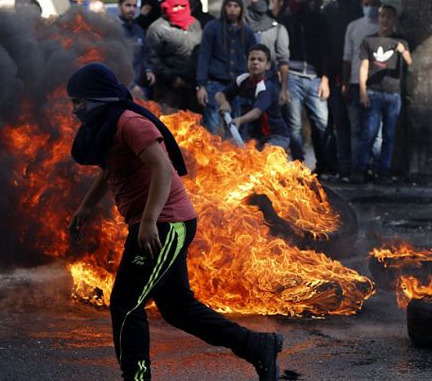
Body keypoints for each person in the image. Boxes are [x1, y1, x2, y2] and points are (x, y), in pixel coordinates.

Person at [66, 62, 284, 381]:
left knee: (126, 304)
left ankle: (136, 378)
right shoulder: (107, 127)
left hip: (166, 223)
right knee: (178, 308)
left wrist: (149, 221)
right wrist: (85, 207)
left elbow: (163, 169)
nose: (75, 110)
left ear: (98, 99)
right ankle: (258, 346)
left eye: (79, 102)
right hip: (157, 223)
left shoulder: (131, 123)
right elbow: (109, 168)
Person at [353, 5, 412, 183]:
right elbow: (363, 66)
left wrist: (404, 51)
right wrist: (363, 91)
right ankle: (360, 169)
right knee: (369, 132)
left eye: (389, 17)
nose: (385, 20)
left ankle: (383, 171)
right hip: (374, 92)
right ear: (378, 18)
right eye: (383, 16)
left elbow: (410, 62)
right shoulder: (369, 41)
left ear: (394, 20)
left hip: (393, 94)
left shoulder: (400, 41)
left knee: (389, 135)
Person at [281, 0, 332, 173]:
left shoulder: (317, 19)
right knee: (294, 123)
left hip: (314, 76)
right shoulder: (286, 19)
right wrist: (283, 83)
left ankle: (325, 164)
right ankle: (299, 164)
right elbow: (281, 52)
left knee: (322, 122)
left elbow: (327, 51)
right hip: (292, 75)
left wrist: (325, 78)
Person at [196, 0, 256, 134]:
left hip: (237, 86)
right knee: (212, 128)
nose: (232, 9)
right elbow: (204, 55)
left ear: (241, 8)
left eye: (236, 5)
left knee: (236, 128)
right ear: (224, 7)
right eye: (229, 5)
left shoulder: (246, 31)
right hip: (214, 83)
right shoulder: (212, 27)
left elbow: (254, 57)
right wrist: (201, 85)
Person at [322, 0, 362, 181]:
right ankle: (342, 166)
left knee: (358, 126)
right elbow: (324, 45)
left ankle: (358, 167)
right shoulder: (328, 11)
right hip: (335, 73)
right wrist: (326, 76)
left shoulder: (359, 11)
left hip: (356, 76)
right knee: (338, 124)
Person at [215, 44, 290, 150]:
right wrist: (224, 102)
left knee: (265, 162)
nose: (255, 62)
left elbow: (256, 113)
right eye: (252, 59)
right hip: (254, 137)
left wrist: (240, 120)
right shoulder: (242, 80)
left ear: (268, 65)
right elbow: (219, 94)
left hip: (276, 137)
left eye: (260, 60)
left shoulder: (267, 87)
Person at [343, 0, 383, 178]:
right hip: (354, 83)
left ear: (380, 4)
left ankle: (374, 169)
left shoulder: (384, 27)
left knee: (376, 133)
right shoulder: (353, 27)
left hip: (376, 86)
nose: (370, 8)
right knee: (357, 130)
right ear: (361, 4)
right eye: (367, 4)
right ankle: (357, 170)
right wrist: (345, 83)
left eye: (374, 4)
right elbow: (347, 57)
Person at [145, 0, 202, 113]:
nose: (179, 9)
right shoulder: (157, 28)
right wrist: (172, 78)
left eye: (183, 6)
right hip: (168, 89)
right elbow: (153, 59)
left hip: (192, 87)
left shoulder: (195, 24)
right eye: (176, 6)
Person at [245, 0, 290, 107]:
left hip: (269, 83)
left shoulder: (276, 27)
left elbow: (283, 60)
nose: (262, 2)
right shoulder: (241, 25)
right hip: (244, 84)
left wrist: (284, 88)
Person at [117, 0, 151, 100]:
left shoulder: (139, 30)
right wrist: (131, 85)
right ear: (119, 6)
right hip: (121, 88)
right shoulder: (113, 30)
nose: (131, 9)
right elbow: (114, 64)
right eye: (128, 5)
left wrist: (149, 70)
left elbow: (144, 54)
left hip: (141, 87)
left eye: (134, 6)